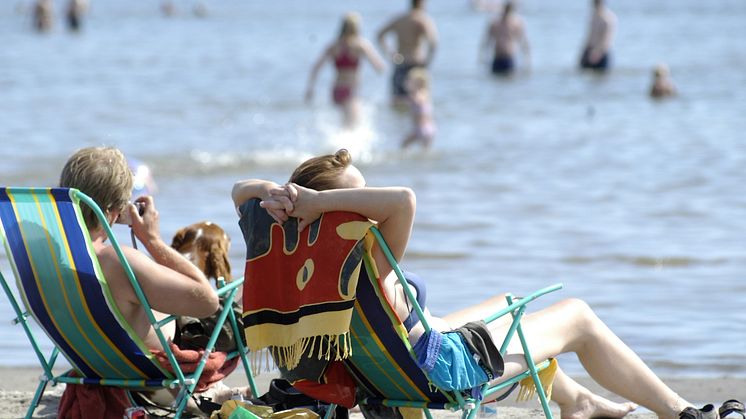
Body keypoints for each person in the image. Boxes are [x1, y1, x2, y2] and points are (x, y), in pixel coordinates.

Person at [233, 149, 706, 419]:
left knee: (506, 304)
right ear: (332, 205)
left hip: (381, 368)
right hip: (433, 375)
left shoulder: (283, 250)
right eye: (354, 195)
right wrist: (321, 203)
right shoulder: (366, 252)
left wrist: (291, 199)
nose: (364, 205)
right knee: (577, 316)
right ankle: (678, 412)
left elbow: (239, 191)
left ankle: (579, 402)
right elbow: (404, 199)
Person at [306, 13, 385, 127]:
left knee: (344, 124)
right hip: (351, 91)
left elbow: (315, 68)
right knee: (353, 126)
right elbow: (379, 67)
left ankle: (337, 144)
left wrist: (310, 89)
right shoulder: (361, 45)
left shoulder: (333, 46)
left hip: (336, 90)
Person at [377, 0, 438, 105]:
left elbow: (380, 35)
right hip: (416, 64)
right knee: (419, 102)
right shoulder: (422, 20)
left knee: (398, 101)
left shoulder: (400, 19)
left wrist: (391, 54)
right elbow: (433, 43)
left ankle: (398, 122)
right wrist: (428, 61)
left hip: (400, 64)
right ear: (422, 3)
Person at [481, 1, 530, 76]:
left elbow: (523, 41)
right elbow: (487, 41)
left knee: (509, 80)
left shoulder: (516, 24)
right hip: (497, 58)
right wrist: (483, 57)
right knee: (495, 81)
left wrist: (527, 59)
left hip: (509, 58)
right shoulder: (495, 23)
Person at [401, 68, 435, 149]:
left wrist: (409, 99)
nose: (407, 83)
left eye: (410, 81)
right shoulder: (421, 93)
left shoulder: (422, 93)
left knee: (404, 144)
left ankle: (406, 159)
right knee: (425, 149)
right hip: (426, 128)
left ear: (418, 83)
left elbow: (419, 100)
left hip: (422, 128)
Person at [579, 0, 616, 72]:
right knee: (583, 73)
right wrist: (585, 50)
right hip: (589, 49)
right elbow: (589, 35)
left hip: (601, 52)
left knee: (601, 75)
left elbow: (607, 39)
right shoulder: (593, 17)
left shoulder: (608, 19)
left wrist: (597, 52)